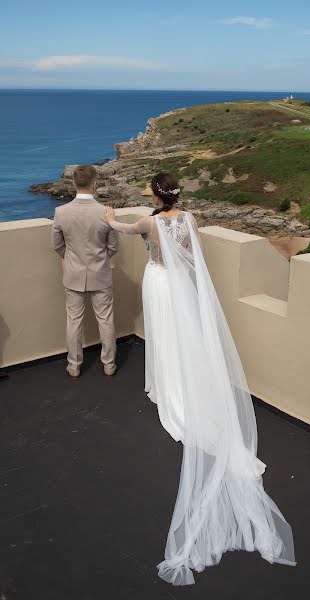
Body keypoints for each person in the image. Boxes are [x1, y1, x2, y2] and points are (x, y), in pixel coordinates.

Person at [105, 172, 295, 585]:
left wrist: (107, 215)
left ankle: (167, 386)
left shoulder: (149, 222)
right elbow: (193, 255)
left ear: (157, 194)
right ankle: (181, 383)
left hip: (159, 283)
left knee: (162, 334)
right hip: (182, 286)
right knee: (182, 336)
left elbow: (119, 227)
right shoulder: (190, 220)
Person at [52, 165, 119, 378]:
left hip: (73, 275)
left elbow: (58, 245)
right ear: (95, 184)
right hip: (101, 274)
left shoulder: (61, 212)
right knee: (106, 320)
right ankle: (109, 365)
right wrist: (100, 260)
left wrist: (72, 260)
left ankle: (74, 366)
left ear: (73, 183)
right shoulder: (105, 213)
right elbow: (114, 246)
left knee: (73, 322)